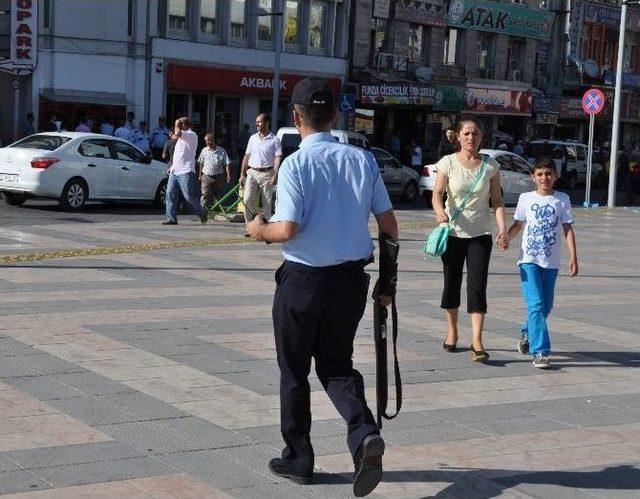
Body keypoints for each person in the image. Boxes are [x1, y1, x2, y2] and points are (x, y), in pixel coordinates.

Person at [246, 77, 398, 497]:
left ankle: (299, 459)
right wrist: (388, 281)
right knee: (336, 364)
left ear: (296, 118)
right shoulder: (362, 160)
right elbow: (389, 224)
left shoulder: (295, 164)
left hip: (304, 282)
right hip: (350, 282)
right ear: (334, 115)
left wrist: (259, 230)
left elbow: (288, 228)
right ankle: (364, 433)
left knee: (294, 370)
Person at [432, 118, 507, 361]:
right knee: (451, 283)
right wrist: (438, 211)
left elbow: (496, 201)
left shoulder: (490, 166)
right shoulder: (448, 163)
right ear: (458, 136)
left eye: (475, 133)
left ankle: (477, 340)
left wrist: (503, 229)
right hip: (452, 233)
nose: (471, 138)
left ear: (481, 137)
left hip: (480, 235)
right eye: (467, 133)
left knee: (477, 286)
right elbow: (437, 194)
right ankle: (452, 330)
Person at [505, 156, 578, 369]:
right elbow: (518, 224)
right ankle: (541, 352)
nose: (544, 178)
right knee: (535, 304)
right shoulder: (526, 198)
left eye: (548, 174)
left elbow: (567, 229)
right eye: (539, 174)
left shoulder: (562, 199)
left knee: (545, 307)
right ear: (532, 177)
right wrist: (506, 237)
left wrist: (573, 257)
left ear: (555, 176)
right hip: (528, 260)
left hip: (551, 262)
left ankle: (527, 332)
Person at [162, 117, 207, 226]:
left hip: (186, 171)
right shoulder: (180, 140)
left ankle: (202, 213)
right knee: (170, 193)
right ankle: (171, 218)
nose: (177, 128)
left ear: (184, 126)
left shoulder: (191, 135)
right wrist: (172, 167)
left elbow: (177, 133)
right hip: (175, 170)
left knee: (188, 196)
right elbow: (179, 155)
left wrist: (177, 121)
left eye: (179, 126)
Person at [239, 113, 282, 226]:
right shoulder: (253, 138)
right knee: (247, 199)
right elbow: (247, 156)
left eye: (259, 121)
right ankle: (250, 225)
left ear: (267, 123)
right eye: (256, 121)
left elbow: (278, 158)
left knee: (267, 202)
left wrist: (275, 175)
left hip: (267, 174)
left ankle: (267, 227)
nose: (256, 124)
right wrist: (242, 174)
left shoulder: (274, 139)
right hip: (252, 172)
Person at [198, 132, 231, 211]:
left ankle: (217, 210)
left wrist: (228, 176)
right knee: (205, 194)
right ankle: (203, 212)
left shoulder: (221, 151)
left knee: (218, 195)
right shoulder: (204, 150)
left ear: (213, 140)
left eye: (209, 140)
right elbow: (201, 163)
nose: (207, 142)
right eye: (206, 141)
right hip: (206, 176)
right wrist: (200, 175)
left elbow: (227, 163)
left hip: (218, 176)